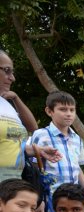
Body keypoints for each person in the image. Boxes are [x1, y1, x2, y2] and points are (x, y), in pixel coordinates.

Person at [31, 91, 84, 212]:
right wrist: (39, 200)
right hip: (50, 199)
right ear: (49, 111)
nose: (68, 113)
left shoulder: (77, 138)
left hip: (74, 198)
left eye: (72, 110)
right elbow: (34, 169)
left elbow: (77, 167)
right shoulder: (41, 135)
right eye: (62, 109)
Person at [0, 50, 61, 182]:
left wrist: (36, 150)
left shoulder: (6, 104)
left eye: (12, 72)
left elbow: (31, 129)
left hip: (11, 184)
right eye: (6, 70)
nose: (12, 78)